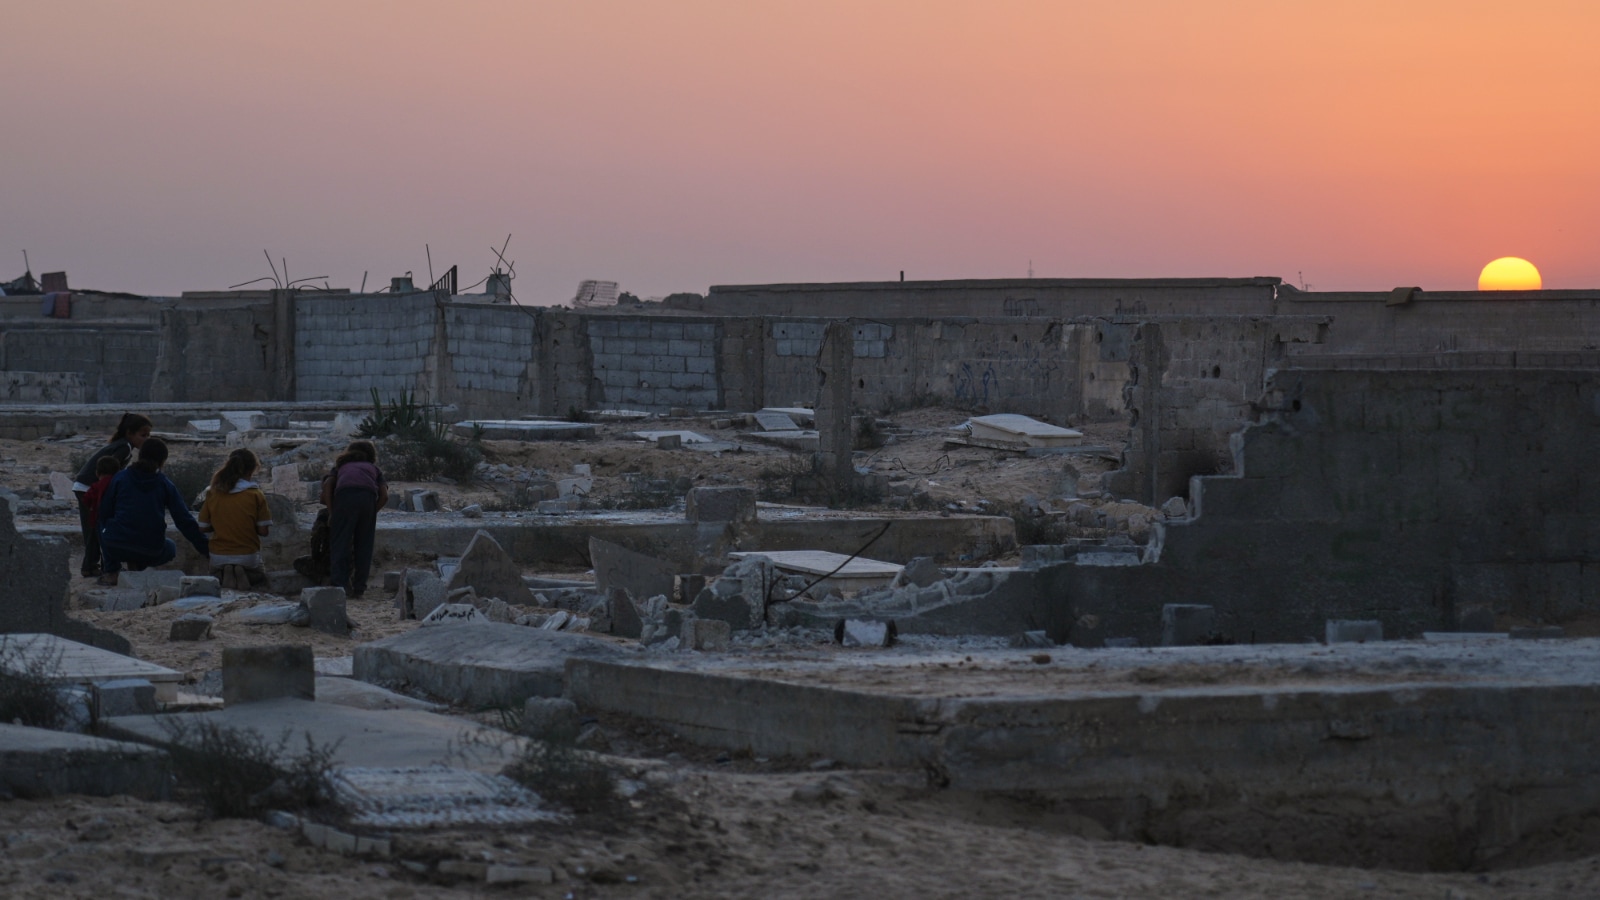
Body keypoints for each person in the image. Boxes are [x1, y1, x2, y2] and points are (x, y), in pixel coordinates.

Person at [97, 437, 209, 585]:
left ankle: (112, 571)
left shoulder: (120, 478)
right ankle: (138, 565)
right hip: (151, 550)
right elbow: (184, 521)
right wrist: (207, 548)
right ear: (162, 461)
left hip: (116, 546)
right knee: (170, 547)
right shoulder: (165, 484)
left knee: (103, 524)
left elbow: (103, 512)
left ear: (140, 455)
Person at [72, 413, 152, 577]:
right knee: (96, 529)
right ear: (130, 433)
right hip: (89, 488)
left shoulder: (121, 445)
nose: (146, 439)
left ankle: (91, 566)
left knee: (93, 529)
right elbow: (110, 471)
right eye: (143, 435)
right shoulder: (125, 448)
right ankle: (92, 567)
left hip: (85, 487)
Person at [321, 440, 388, 599]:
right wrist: (372, 511)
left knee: (340, 544)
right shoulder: (374, 469)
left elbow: (328, 485)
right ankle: (359, 589)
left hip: (345, 498)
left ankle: (340, 586)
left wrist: (332, 512)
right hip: (368, 499)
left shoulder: (340, 467)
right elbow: (384, 496)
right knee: (364, 546)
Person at [198, 448, 271, 590]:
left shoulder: (212, 493)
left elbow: (202, 527)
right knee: (261, 575)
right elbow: (263, 531)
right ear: (251, 470)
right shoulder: (256, 494)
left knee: (214, 568)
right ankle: (244, 575)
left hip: (218, 555)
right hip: (247, 555)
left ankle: (224, 574)